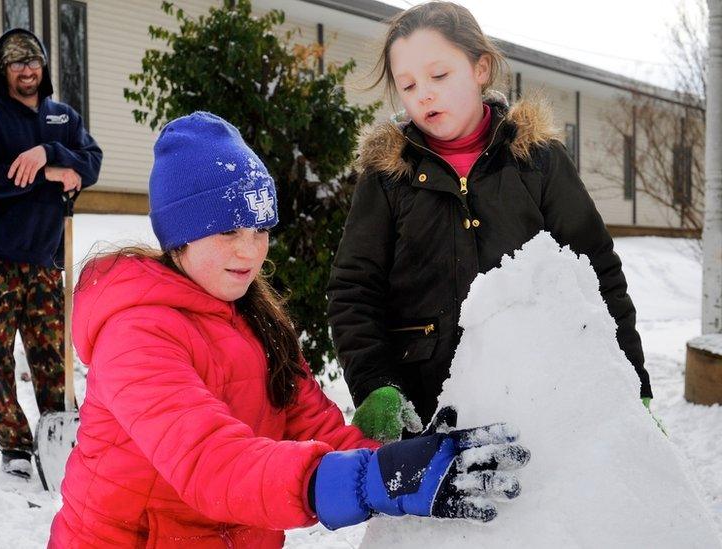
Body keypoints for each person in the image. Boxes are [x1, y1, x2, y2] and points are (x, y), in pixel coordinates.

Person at [47, 112, 529, 547]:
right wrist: (373, 479)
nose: (249, 252)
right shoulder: (135, 331)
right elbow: (210, 464)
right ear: (180, 236)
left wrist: (412, 459)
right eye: (228, 232)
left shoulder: (255, 322)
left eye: (260, 230)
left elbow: (318, 430)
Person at [327, 1, 653, 443]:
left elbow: (597, 274)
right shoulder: (388, 178)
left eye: (439, 76)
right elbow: (354, 289)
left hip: (536, 407)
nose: (423, 93)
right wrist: (375, 386)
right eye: (407, 84)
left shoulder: (536, 162)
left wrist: (633, 386)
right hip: (424, 416)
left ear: (481, 68)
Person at [0, 28, 102, 478]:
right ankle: (15, 446)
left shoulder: (62, 118)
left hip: (44, 260)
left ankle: (63, 437)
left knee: (52, 355)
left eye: (33, 61)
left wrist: (47, 152)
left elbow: (91, 161)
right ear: (3, 71)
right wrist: (50, 173)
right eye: (17, 63)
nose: (27, 70)